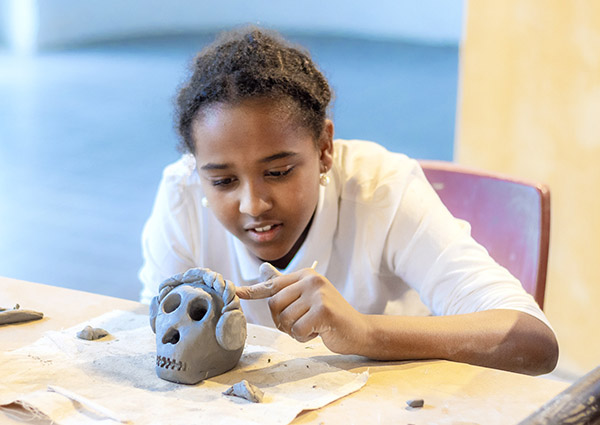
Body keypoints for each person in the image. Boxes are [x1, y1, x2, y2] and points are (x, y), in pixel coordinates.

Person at [139, 26, 558, 375]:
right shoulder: (182, 195)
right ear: (198, 170)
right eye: (224, 180)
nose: (253, 204)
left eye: (279, 172)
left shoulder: (383, 190)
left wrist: (366, 332)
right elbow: (156, 331)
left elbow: (534, 340)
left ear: (324, 148)